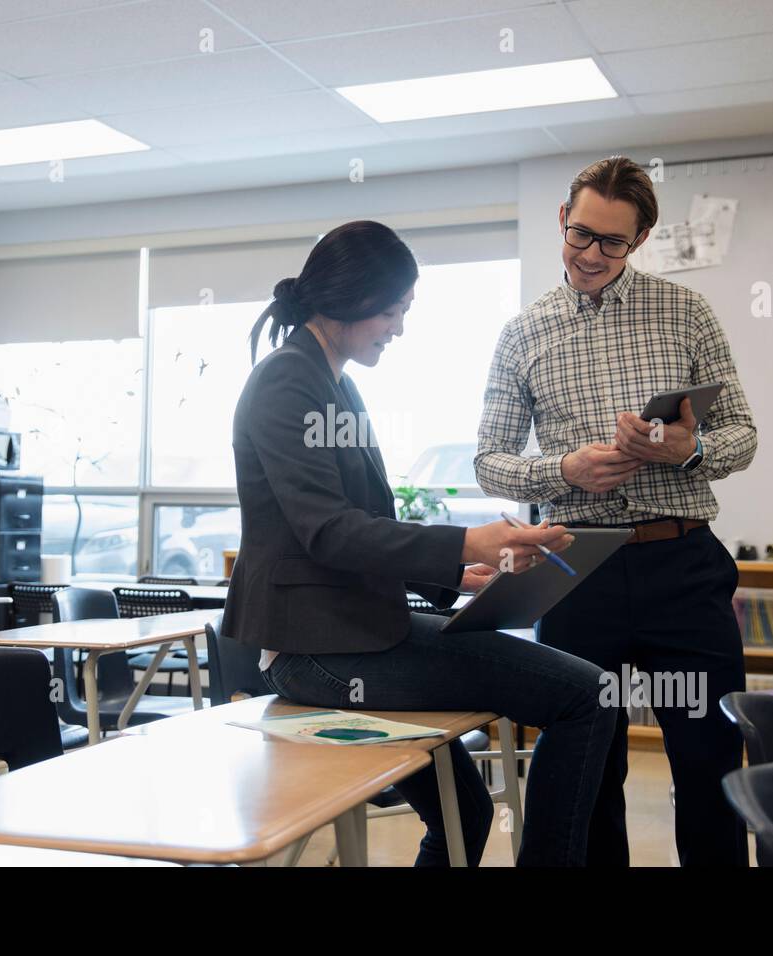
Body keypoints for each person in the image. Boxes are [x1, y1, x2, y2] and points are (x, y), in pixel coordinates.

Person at [222, 220, 617, 866]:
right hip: (317, 649)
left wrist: (457, 578)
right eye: (393, 311)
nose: (398, 328)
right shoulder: (286, 382)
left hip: (350, 629)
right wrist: (470, 544)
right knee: (589, 696)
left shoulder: (334, 382)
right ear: (350, 298)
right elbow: (328, 532)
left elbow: (359, 531)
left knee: (466, 807)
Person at [475, 157, 758, 866]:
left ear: (642, 239)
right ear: (561, 222)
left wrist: (684, 449)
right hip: (577, 568)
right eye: (580, 235)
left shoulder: (686, 313)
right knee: (587, 767)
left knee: (711, 762)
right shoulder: (523, 333)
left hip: (683, 565)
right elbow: (488, 460)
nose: (591, 255)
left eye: (612, 243)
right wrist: (562, 468)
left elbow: (743, 436)